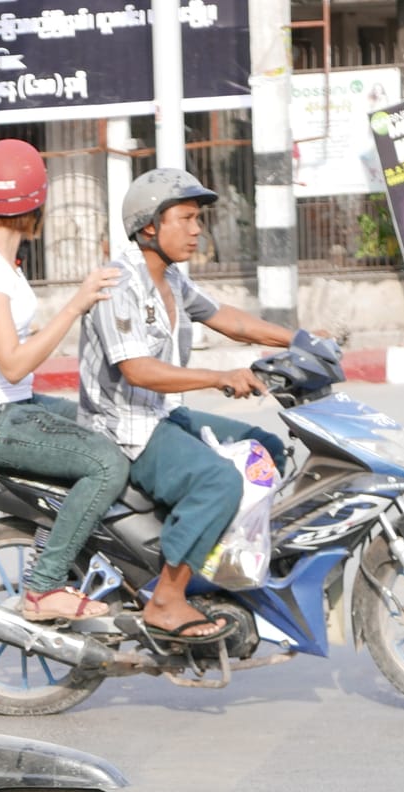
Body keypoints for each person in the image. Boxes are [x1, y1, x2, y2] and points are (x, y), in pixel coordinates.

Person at [75, 169, 296, 645]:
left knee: (266, 446)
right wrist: (219, 377)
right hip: (125, 428)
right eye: (187, 218)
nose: (197, 230)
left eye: (199, 219)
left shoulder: (171, 279)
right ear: (149, 225)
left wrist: (300, 340)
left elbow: (228, 319)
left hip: (160, 414)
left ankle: (222, 561)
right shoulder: (119, 285)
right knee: (219, 481)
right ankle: (167, 599)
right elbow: (138, 370)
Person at [0, 138, 129, 621]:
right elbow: (13, 363)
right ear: (34, 207)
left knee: (110, 423)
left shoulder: (0, 258)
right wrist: (76, 304)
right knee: (105, 464)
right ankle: (44, 588)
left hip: (11, 406)